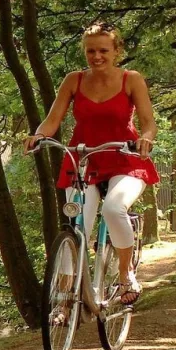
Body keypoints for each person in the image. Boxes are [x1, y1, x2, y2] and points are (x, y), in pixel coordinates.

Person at [25, 22, 159, 304]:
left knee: (113, 208)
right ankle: (63, 301)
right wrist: (38, 136)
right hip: (83, 159)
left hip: (125, 157)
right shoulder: (73, 80)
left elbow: (148, 122)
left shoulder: (131, 79)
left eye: (103, 50)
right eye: (90, 51)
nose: (96, 56)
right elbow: (52, 120)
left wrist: (146, 139)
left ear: (116, 51)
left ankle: (125, 274)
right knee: (76, 227)